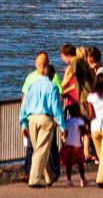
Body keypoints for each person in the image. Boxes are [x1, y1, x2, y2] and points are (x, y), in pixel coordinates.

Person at [21, 52, 66, 188]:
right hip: (46, 119)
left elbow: (24, 105)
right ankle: (34, 180)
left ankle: (48, 177)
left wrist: (23, 123)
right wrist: (63, 126)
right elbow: (56, 109)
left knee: (38, 149)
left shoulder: (31, 85)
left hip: (31, 119)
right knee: (41, 150)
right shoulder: (52, 87)